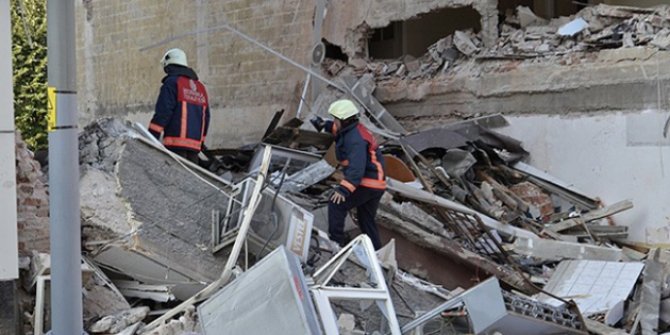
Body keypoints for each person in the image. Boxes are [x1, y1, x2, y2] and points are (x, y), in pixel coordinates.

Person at [312, 99, 386, 250]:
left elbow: (356, 169)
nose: (334, 121)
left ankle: (336, 244)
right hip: (376, 183)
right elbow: (338, 130)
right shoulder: (353, 129)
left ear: (344, 121)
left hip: (367, 182)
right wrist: (323, 125)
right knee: (366, 220)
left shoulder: (355, 140)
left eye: (335, 119)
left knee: (336, 203)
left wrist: (344, 190)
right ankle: (377, 254)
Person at [148, 48, 210, 163]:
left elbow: (163, 112)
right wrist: (201, 142)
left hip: (175, 144)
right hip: (194, 148)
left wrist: (151, 137)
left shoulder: (172, 83)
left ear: (168, 65)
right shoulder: (201, 88)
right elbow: (206, 118)